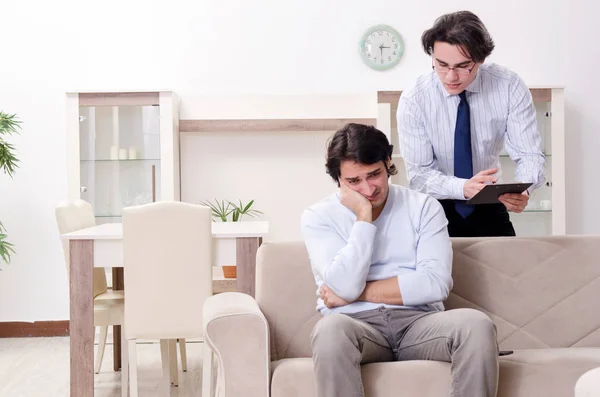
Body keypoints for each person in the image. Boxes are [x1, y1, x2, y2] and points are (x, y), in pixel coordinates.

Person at [301, 123, 498, 397]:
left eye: (374, 175)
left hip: (419, 323)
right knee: (330, 330)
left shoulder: (424, 207)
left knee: (476, 325)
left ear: (388, 164)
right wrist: (363, 218)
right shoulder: (318, 216)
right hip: (356, 325)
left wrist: (354, 293)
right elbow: (342, 285)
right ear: (338, 180)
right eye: (354, 181)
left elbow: (435, 284)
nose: (368, 189)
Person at [397, 10, 545, 237]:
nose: (450, 77)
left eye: (463, 66)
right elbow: (419, 175)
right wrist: (463, 187)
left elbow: (529, 155)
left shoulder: (508, 86)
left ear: (481, 59)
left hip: (489, 202)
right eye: (442, 64)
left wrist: (524, 189)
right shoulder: (415, 98)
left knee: (508, 269)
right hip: (434, 207)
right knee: (436, 273)